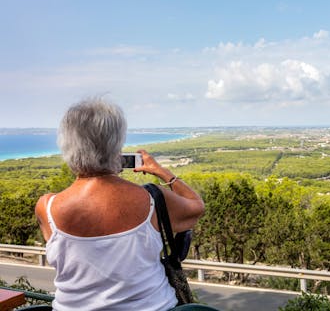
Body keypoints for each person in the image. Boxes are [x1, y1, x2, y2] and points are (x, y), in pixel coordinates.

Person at [34, 98, 205, 311]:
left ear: (67, 145)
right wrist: (163, 172)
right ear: (117, 145)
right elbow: (196, 207)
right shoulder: (152, 199)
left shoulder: (46, 207)